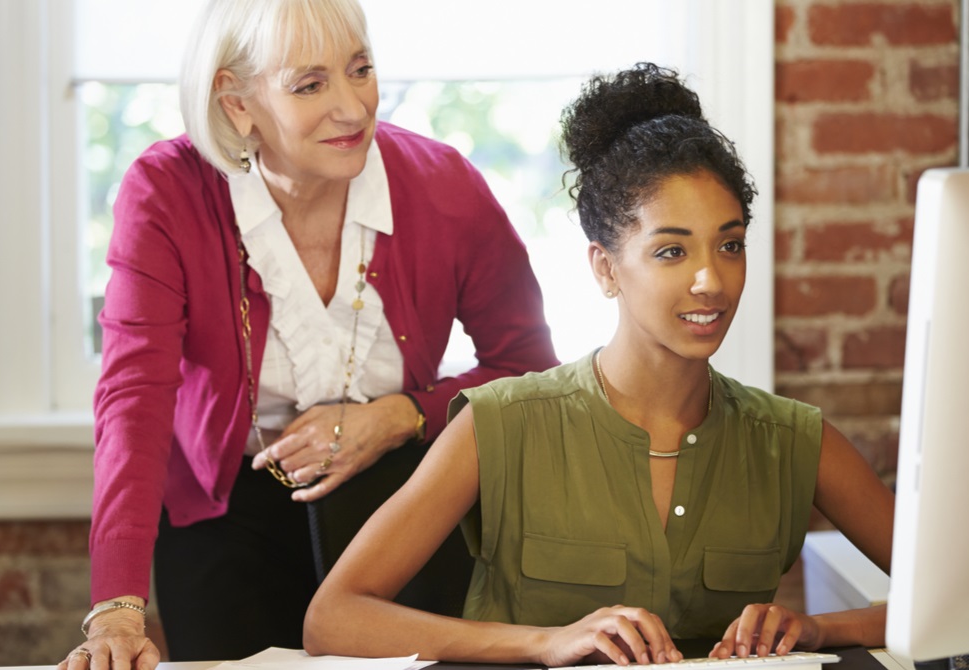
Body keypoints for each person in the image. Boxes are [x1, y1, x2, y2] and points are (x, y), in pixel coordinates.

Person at [303, 63, 896, 667]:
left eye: (730, 244)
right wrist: (546, 641)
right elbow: (335, 618)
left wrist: (819, 630)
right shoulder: (499, 426)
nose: (710, 280)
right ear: (606, 268)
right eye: (670, 251)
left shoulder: (793, 440)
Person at [57, 0, 558, 668]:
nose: (353, 108)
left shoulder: (447, 187)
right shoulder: (166, 192)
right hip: (225, 509)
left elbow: (529, 372)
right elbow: (134, 397)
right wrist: (116, 610)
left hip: (400, 500)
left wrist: (400, 415)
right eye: (310, 85)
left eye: (361, 70)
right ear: (237, 105)